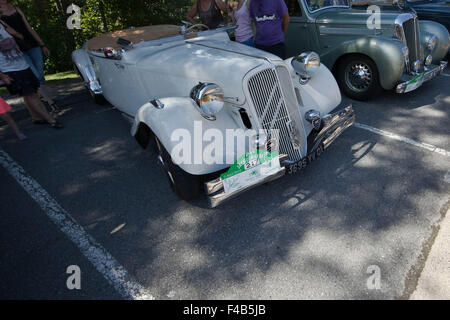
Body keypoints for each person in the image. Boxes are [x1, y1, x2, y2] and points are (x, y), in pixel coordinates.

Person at [0, 0, 60, 115]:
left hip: (32, 44)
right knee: (35, 76)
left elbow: (29, 28)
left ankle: (41, 102)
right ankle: (51, 103)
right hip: (17, 50)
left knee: (40, 75)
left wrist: (42, 45)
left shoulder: (16, 9)